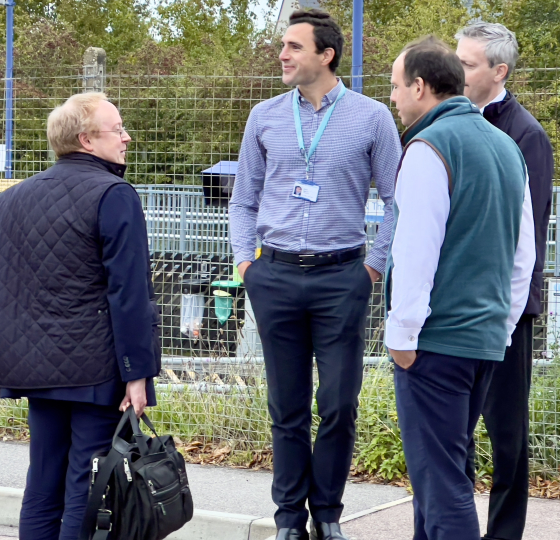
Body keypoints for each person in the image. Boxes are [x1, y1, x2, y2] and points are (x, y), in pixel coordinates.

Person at [229, 9, 401, 540]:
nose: (283, 55)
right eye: (284, 46)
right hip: (274, 275)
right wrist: (245, 263)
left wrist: (373, 267)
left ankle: (327, 515)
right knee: (286, 407)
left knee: (338, 404)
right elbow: (243, 200)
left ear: (325, 55)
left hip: (341, 278)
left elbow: (397, 201)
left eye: (294, 47)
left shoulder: (372, 118)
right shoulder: (263, 117)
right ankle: (288, 521)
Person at [0, 92, 160, 540]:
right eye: (117, 129)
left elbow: (10, 283)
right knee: (88, 482)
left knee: (43, 479)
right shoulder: (114, 195)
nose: (127, 137)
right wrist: (138, 374)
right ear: (86, 139)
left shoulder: (13, 199)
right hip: (93, 368)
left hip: (31, 364)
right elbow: (130, 293)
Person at [386, 36, 535, 540]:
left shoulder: (429, 146)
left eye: (396, 86)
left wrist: (402, 337)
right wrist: (503, 324)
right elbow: (524, 255)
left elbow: (414, 251)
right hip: (485, 342)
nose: (393, 98)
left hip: (434, 343)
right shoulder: (507, 147)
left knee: (442, 483)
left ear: (422, 86)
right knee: (442, 475)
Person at [456, 22, 554, 540]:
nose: (457, 70)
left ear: (499, 71)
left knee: (507, 435)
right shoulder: (449, 124)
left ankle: (503, 534)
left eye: (468, 64)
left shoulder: (526, 135)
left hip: (507, 313)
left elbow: (527, 240)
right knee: (456, 432)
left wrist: (508, 315)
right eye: (457, 60)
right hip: (458, 308)